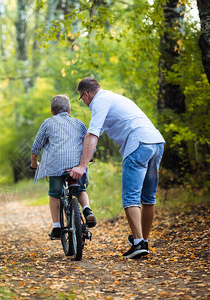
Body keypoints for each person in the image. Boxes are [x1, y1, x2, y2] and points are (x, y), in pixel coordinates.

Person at [68, 77, 165, 259]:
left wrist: (81, 166)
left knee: (130, 197)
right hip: (156, 142)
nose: (84, 102)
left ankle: (138, 243)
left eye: (82, 98)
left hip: (138, 144)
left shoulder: (99, 102)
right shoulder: (115, 99)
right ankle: (142, 241)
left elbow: (92, 135)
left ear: (86, 94)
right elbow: (93, 138)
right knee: (148, 198)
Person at [31, 94, 97, 240]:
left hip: (55, 166)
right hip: (77, 166)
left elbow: (36, 147)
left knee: (54, 194)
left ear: (52, 111)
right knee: (80, 190)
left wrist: (34, 163)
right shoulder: (79, 123)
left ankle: (56, 227)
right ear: (69, 110)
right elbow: (89, 144)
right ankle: (87, 209)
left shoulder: (48, 123)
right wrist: (89, 158)